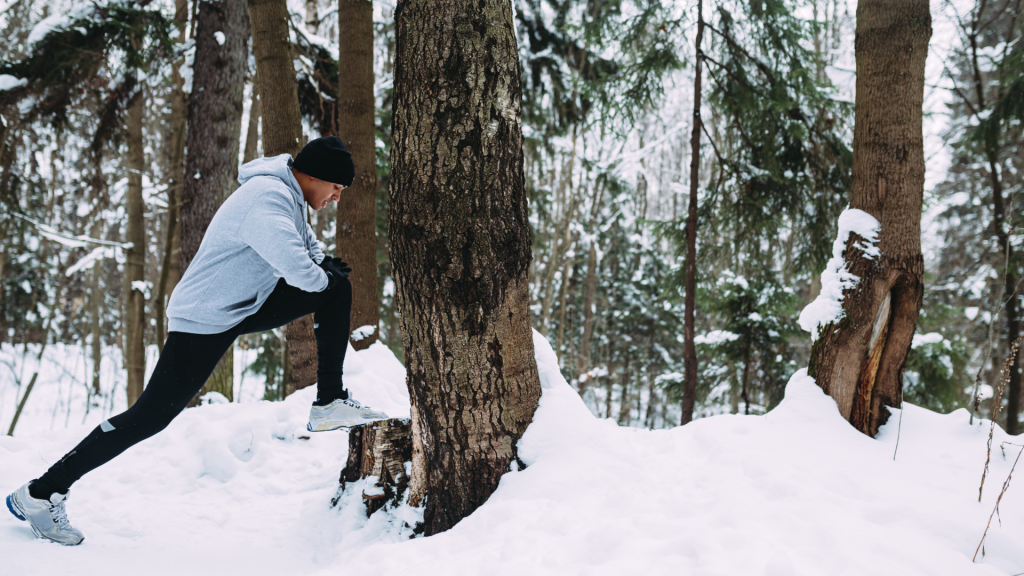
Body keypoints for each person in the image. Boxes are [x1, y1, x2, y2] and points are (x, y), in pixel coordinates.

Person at [5, 136, 387, 546]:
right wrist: (322, 275)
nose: (337, 197)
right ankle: (41, 493)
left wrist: (325, 268)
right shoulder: (267, 198)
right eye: (336, 187)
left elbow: (308, 250)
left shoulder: (290, 198)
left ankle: (329, 400)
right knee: (149, 417)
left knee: (336, 287)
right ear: (313, 176)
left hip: (241, 305)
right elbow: (297, 269)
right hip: (204, 317)